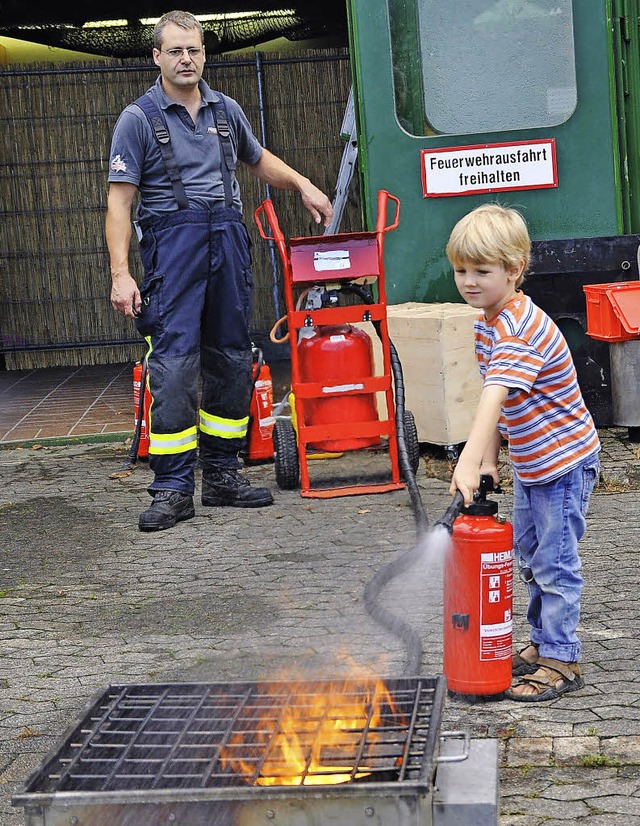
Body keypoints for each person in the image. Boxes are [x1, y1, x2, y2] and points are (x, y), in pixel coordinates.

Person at [106, 10, 333, 532]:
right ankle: (172, 488)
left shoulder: (225, 110)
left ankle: (224, 475)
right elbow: (120, 203)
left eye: (195, 50)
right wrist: (122, 273)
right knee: (176, 367)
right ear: (157, 57)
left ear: (204, 53)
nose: (187, 59)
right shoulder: (138, 119)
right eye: (176, 51)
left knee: (231, 359)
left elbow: (257, 160)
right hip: (173, 252)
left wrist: (301, 185)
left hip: (227, 246)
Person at [446, 203, 600, 701]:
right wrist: (489, 459)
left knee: (555, 562)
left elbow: (493, 397)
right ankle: (541, 644)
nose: (469, 282)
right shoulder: (486, 324)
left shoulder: (517, 328)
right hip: (534, 464)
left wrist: (468, 461)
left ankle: (562, 658)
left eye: (481, 272)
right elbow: (497, 393)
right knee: (531, 556)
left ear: (514, 271)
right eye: (460, 271)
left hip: (564, 465)